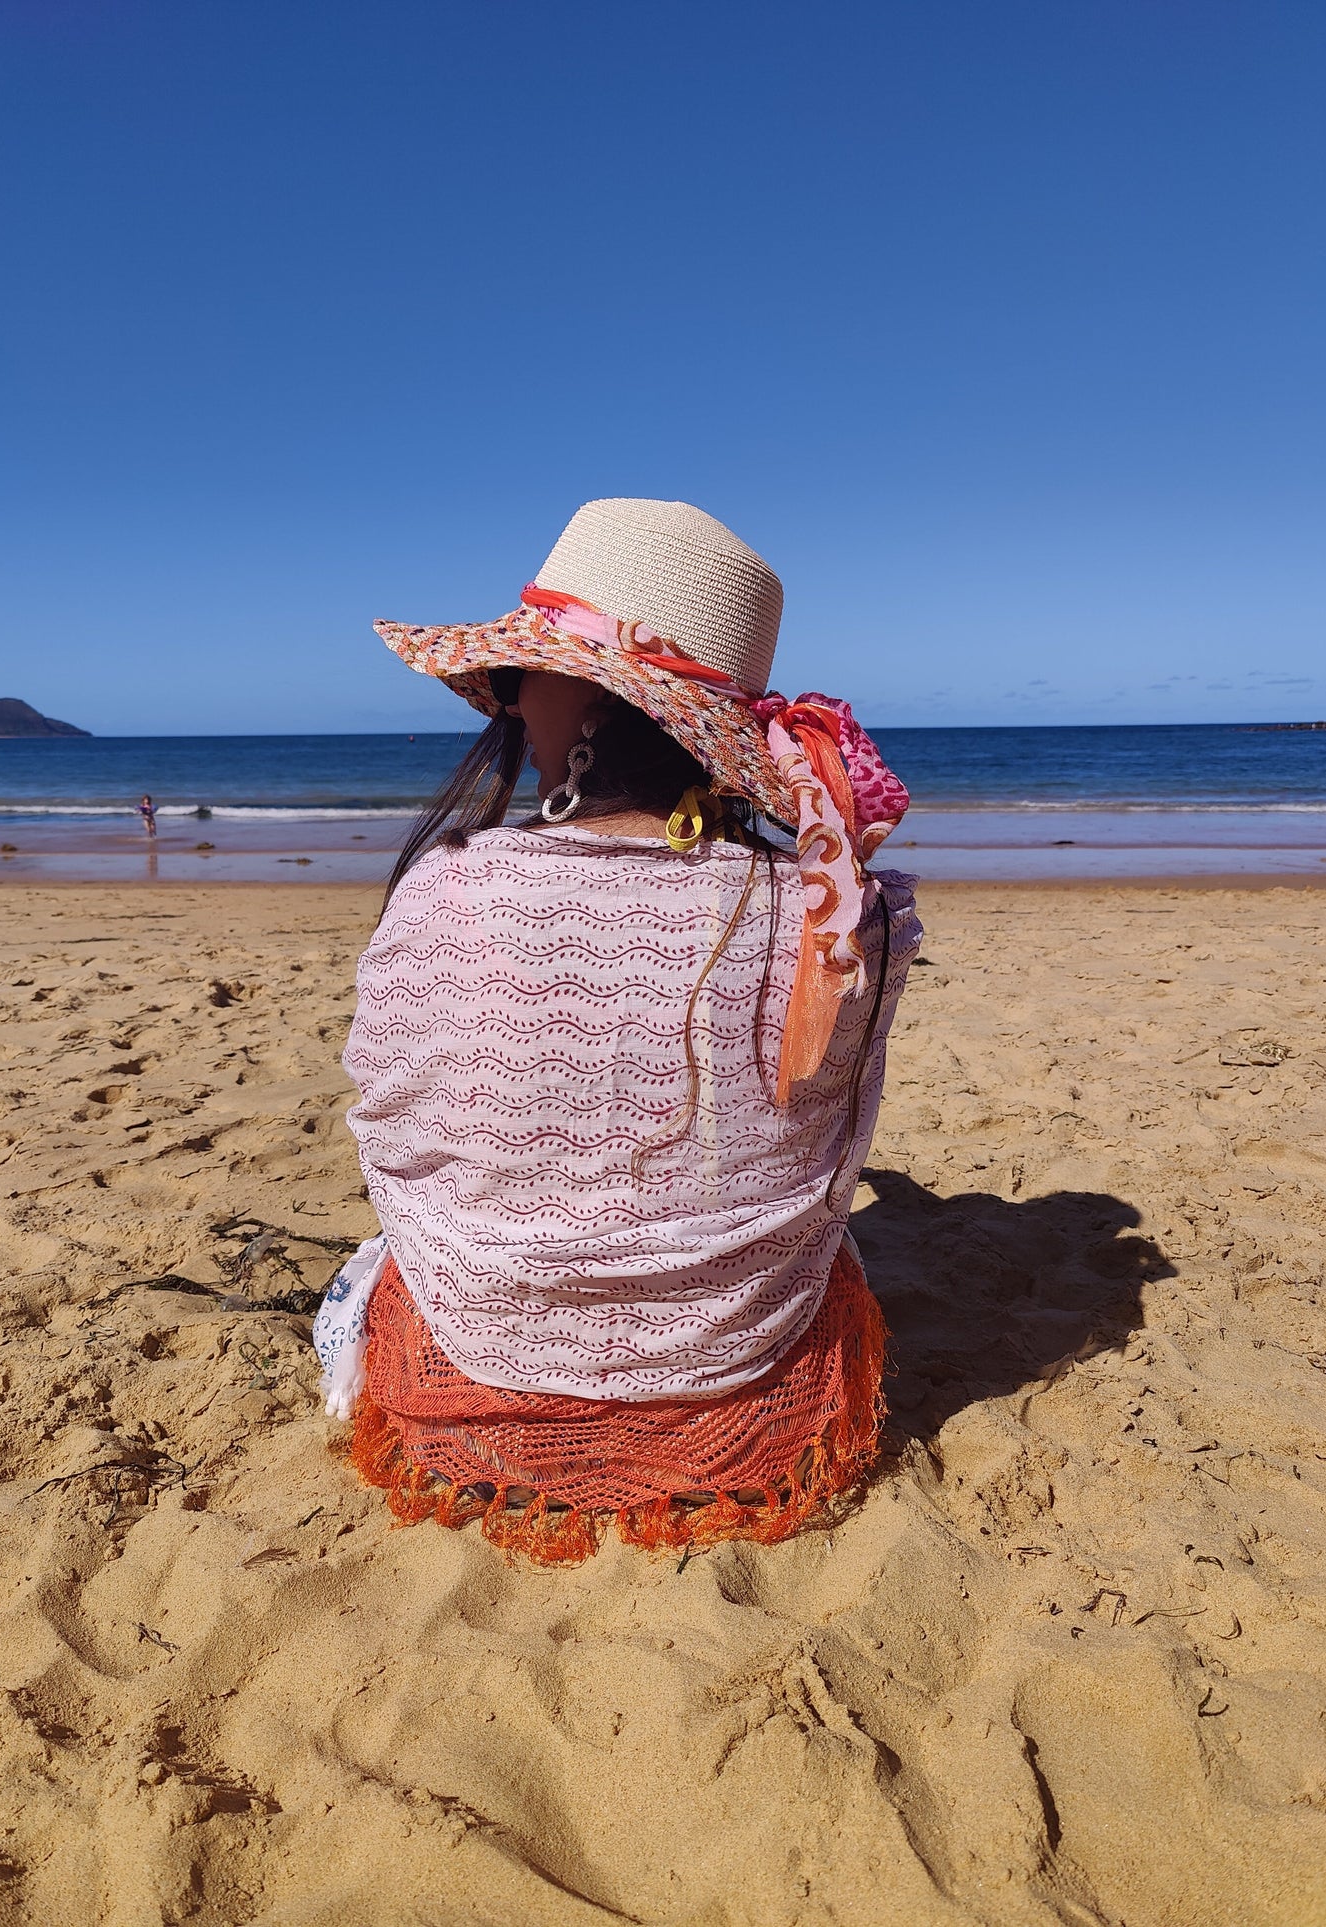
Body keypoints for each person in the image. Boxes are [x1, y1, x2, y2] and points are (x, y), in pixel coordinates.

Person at [313, 499, 921, 1563]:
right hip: (747, 1374)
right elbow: (826, 1150)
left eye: (524, 672)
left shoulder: (453, 890)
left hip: (482, 1351)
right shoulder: (837, 917)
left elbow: (395, 1138)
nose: (506, 698)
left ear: (585, 701)